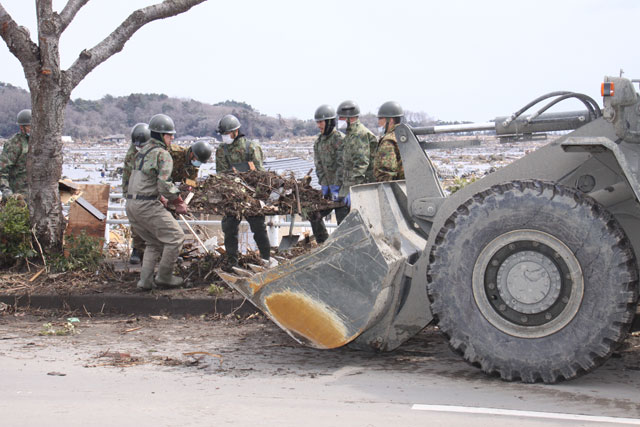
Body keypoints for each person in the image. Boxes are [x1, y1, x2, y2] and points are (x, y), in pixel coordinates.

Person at [125, 114, 188, 290]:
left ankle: (145, 281)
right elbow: (164, 184)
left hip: (131, 205)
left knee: (153, 242)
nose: (172, 138)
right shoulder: (163, 155)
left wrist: (160, 197)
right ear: (161, 135)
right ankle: (165, 277)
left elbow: (144, 181)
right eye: (169, 135)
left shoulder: (140, 153)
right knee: (176, 237)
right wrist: (179, 202)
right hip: (146, 205)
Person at [215, 114, 274, 267]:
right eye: (223, 134)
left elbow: (261, 175)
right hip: (232, 195)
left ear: (236, 131)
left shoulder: (251, 147)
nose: (225, 137)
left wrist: (259, 198)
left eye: (227, 133)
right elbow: (221, 176)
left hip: (251, 195)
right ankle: (232, 263)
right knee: (229, 229)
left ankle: (266, 259)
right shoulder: (222, 150)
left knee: (259, 228)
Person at [309, 105, 345, 242]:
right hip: (328, 190)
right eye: (317, 122)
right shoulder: (318, 142)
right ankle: (323, 244)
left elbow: (342, 165)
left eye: (321, 122)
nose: (319, 125)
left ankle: (344, 250)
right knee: (313, 214)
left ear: (330, 122)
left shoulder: (339, 139)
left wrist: (337, 186)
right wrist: (325, 186)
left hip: (342, 191)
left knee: (343, 224)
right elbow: (319, 166)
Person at [336, 100, 377, 211]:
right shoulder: (350, 134)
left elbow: (361, 165)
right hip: (350, 185)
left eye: (341, 118)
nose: (339, 121)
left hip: (362, 188)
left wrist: (353, 190)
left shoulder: (359, 134)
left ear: (350, 118)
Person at [122, 123, 151, 264]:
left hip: (150, 191)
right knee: (136, 222)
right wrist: (127, 194)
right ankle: (137, 249)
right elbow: (127, 176)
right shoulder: (131, 154)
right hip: (135, 191)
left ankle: (156, 251)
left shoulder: (155, 151)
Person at [0, 109, 31, 200]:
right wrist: (6, 191)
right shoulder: (14, 144)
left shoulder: (41, 143)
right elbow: (2, 171)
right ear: (22, 128)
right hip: (18, 196)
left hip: (37, 197)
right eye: (30, 127)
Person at [374, 101, 405, 182]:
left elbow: (386, 172)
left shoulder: (389, 140)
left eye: (381, 118)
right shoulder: (403, 135)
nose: (378, 122)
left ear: (390, 120)